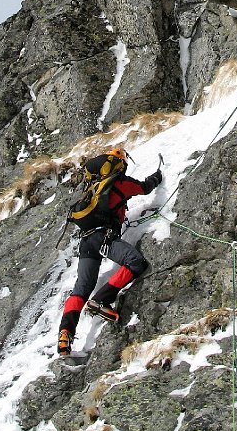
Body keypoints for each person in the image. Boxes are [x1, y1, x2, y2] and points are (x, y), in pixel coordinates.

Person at [57, 149, 163, 355]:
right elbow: (143, 188)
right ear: (119, 165)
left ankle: (64, 335)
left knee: (81, 289)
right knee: (135, 262)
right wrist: (158, 176)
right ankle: (101, 300)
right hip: (103, 237)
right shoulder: (119, 182)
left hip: (87, 241)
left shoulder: (94, 187)